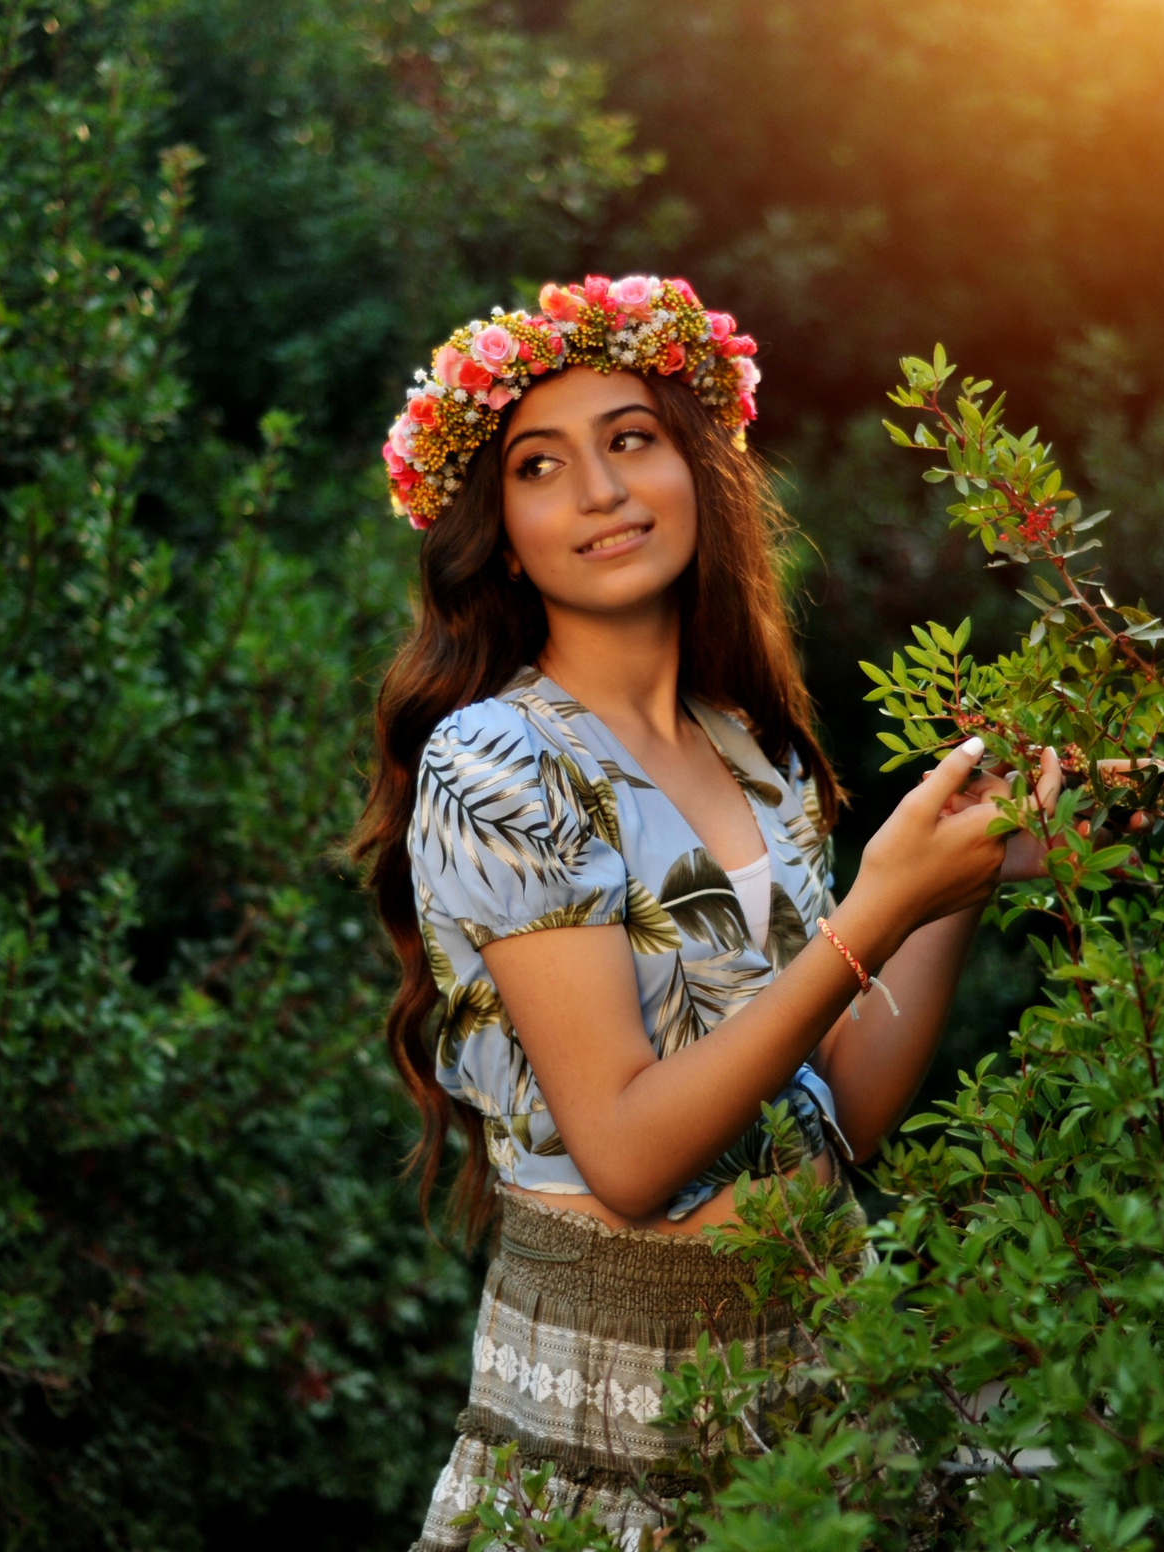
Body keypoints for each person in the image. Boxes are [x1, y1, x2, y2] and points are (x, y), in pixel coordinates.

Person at [351, 274, 1061, 1549]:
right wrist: (877, 909)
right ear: (501, 536)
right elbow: (629, 1160)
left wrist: (953, 882)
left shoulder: (747, 744)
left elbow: (842, 1107)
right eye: (540, 466)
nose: (600, 491)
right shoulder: (498, 760)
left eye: (630, 440)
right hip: (626, 1390)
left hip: (825, 1347)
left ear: (695, 467)